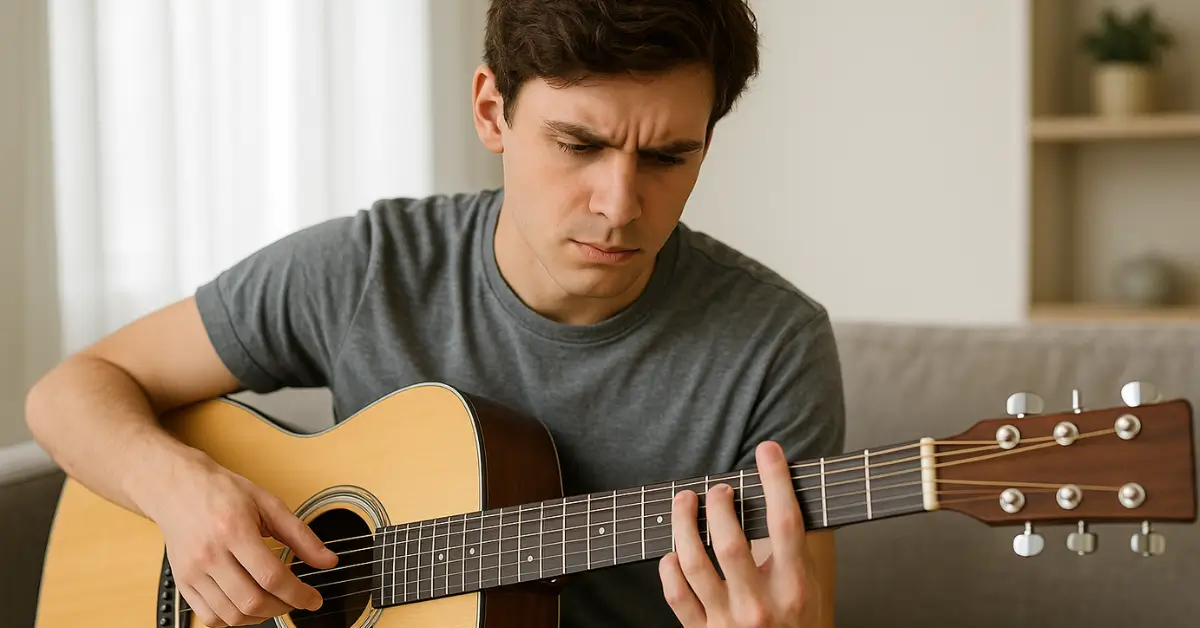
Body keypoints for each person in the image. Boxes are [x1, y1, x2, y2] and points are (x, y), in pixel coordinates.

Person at [25, 0, 846, 626]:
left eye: (669, 155)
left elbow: (788, 596)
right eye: (578, 145)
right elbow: (69, 393)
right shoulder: (369, 268)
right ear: (492, 111)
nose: (620, 203)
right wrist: (182, 492)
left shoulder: (774, 348)